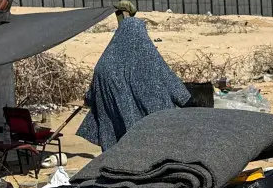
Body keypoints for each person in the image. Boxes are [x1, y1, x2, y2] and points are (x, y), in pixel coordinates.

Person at [79, 14, 191, 151]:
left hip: (113, 133)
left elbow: (91, 97)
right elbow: (172, 85)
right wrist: (187, 100)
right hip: (144, 131)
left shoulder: (103, 63)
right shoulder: (147, 57)